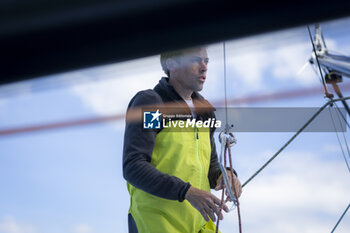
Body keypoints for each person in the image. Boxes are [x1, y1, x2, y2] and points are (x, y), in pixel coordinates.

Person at [123, 46, 242, 233]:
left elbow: (210, 167)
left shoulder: (205, 112)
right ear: (171, 64)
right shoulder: (151, 103)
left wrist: (225, 176)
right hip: (157, 224)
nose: (204, 67)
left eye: (207, 61)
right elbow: (134, 166)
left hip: (200, 223)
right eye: (196, 60)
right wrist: (186, 191)